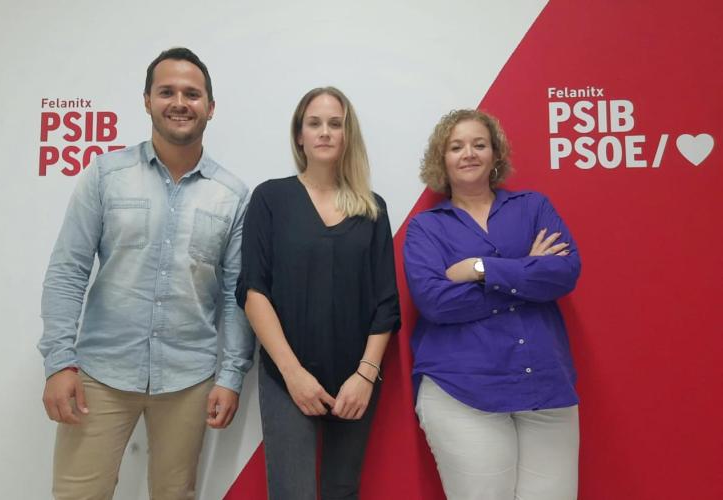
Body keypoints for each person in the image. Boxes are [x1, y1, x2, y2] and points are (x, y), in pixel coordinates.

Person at [37, 47, 254, 500]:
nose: (180, 102)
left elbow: (236, 296)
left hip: (188, 379)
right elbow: (68, 271)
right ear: (147, 100)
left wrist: (231, 375)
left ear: (210, 107)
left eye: (192, 94)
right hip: (100, 373)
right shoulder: (106, 175)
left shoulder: (232, 195)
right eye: (167, 92)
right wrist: (59, 362)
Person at [403, 109, 581, 500]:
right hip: (462, 391)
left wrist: (479, 269)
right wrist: (525, 272)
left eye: (479, 144)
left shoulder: (533, 207)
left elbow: (564, 273)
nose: (469, 153)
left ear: (495, 154)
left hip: (545, 387)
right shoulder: (426, 227)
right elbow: (436, 303)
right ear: (442, 159)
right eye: (456, 147)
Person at [236, 86, 400, 500]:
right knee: (292, 493)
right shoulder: (270, 198)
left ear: (348, 135)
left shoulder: (372, 209)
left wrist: (364, 376)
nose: (325, 132)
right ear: (299, 135)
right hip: (286, 377)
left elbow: (386, 303)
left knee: (342, 490)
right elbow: (253, 290)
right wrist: (293, 374)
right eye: (314, 123)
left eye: (335, 124)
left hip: (356, 378)